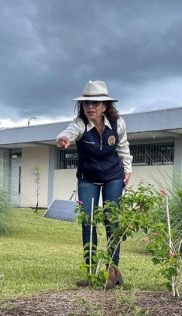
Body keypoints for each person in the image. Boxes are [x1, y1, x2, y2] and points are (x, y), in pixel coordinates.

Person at [56, 80, 132, 289]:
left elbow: (123, 147)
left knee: (111, 220)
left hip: (113, 176)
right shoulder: (80, 123)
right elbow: (69, 132)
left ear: (105, 106)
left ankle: (113, 271)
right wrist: (63, 139)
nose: (90, 107)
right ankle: (91, 272)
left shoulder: (118, 123)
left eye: (95, 103)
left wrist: (128, 169)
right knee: (87, 221)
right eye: (86, 103)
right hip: (88, 178)